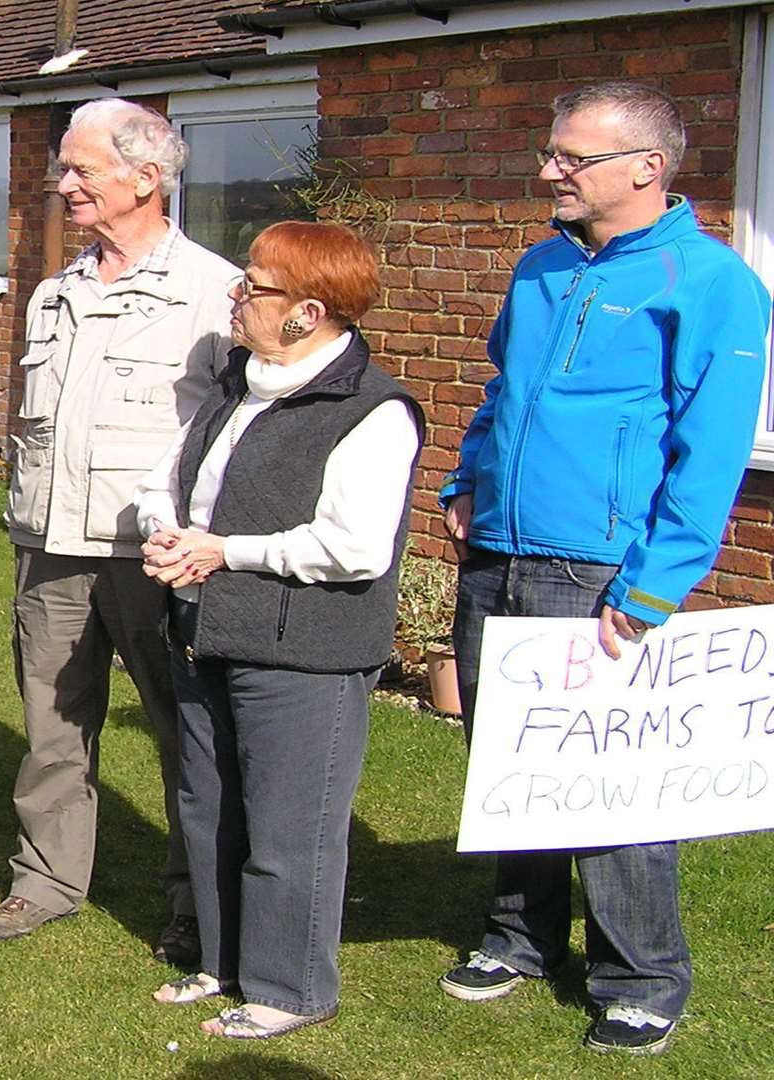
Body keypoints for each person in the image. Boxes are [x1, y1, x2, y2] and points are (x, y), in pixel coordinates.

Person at [437, 82, 771, 1056]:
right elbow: (505, 388)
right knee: (509, 764)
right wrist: (468, 480)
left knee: (614, 783)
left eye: (570, 158)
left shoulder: (710, 285)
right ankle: (519, 939)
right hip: (499, 548)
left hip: (600, 569)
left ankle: (641, 979)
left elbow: (712, 453)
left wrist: (657, 584)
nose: (550, 171)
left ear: (646, 169)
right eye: (553, 153)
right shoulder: (542, 265)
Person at [135, 221, 421, 1039]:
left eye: (255, 285)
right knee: (209, 806)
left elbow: (354, 548)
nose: (235, 294)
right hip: (205, 629)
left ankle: (290, 989)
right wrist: (165, 529)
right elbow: (173, 479)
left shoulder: (372, 410)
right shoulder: (239, 381)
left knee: (291, 825)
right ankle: (220, 963)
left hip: (305, 650)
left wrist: (224, 550)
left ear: (308, 312)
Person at [0, 99, 236, 962]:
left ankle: (198, 900)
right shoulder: (56, 293)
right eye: (65, 167)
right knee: (54, 728)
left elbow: (240, 437)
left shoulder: (217, 293)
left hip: (154, 559)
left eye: (82, 168)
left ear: (147, 179)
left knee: (184, 736)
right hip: (51, 549)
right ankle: (44, 880)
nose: (64, 183)